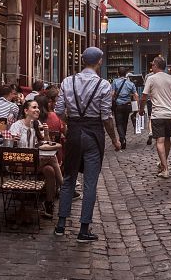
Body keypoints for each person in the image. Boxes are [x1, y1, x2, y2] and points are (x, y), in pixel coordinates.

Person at [54, 47, 121, 242]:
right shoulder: (103, 85)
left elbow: (58, 111)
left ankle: (60, 225)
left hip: (74, 132)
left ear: (83, 61)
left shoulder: (68, 81)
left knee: (68, 179)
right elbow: (106, 116)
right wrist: (115, 139)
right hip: (93, 133)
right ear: (99, 61)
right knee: (90, 183)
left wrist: (72, 121)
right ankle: (83, 229)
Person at [9, 99, 63, 219]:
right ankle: (64, 187)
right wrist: (13, 141)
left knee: (50, 170)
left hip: (35, 162)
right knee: (52, 159)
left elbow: (46, 144)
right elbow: (8, 146)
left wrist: (47, 133)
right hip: (19, 162)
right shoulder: (16, 126)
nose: (37, 109)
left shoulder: (37, 124)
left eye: (37, 107)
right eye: (34, 107)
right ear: (26, 111)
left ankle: (49, 203)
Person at [142, 56, 171, 179]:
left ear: (156, 65)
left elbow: (144, 96)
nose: (151, 67)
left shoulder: (151, 79)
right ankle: (163, 162)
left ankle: (165, 169)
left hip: (158, 114)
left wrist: (140, 110)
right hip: (170, 115)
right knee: (167, 139)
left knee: (159, 141)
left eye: (152, 65)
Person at [111, 67, 138, 150]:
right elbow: (136, 95)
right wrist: (137, 107)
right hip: (127, 105)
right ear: (126, 74)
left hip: (118, 105)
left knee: (119, 123)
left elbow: (112, 94)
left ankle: (122, 139)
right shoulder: (130, 83)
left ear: (118, 73)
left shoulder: (115, 82)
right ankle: (123, 138)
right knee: (125, 122)